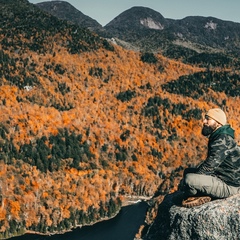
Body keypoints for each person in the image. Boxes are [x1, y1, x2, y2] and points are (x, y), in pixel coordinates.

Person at [178, 108, 240, 208]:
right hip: (220, 177)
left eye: (208, 119)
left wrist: (190, 183)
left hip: (229, 185)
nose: (204, 121)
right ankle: (201, 191)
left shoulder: (222, 140)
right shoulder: (220, 136)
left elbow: (209, 167)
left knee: (189, 180)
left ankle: (202, 195)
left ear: (218, 122)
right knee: (188, 171)